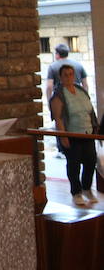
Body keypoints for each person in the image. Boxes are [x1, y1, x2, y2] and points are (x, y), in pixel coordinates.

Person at [50, 64, 99, 207]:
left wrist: (95, 129)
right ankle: (76, 192)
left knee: (90, 162)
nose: (69, 77)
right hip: (72, 134)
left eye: (71, 74)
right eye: (65, 74)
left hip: (87, 133)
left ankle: (87, 188)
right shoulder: (59, 95)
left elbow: (90, 111)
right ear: (61, 77)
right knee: (74, 164)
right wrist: (63, 136)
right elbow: (58, 118)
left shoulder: (81, 90)